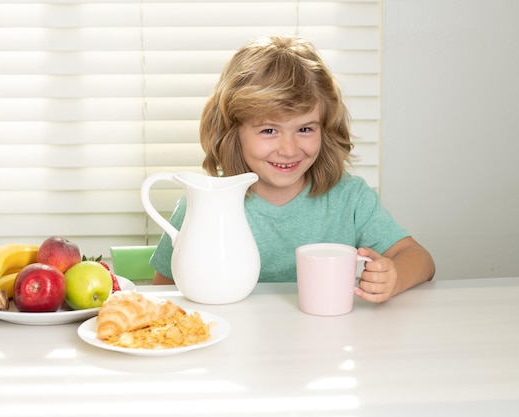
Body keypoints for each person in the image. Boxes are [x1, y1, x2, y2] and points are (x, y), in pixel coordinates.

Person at [149, 35, 435, 303]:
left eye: (305, 128)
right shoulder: (202, 204)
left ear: (326, 128)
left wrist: (393, 277)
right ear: (233, 132)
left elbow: (420, 259)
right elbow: (163, 293)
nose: (288, 149)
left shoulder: (351, 199)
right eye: (269, 130)